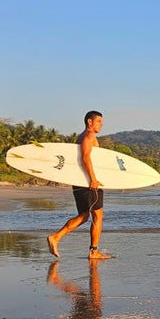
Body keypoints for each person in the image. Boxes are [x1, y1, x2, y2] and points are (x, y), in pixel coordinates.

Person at [47, 111, 112, 260]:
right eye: (99, 121)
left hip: (79, 182)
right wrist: (93, 179)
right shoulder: (89, 137)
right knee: (98, 216)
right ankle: (93, 251)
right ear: (90, 122)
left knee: (83, 216)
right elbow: (85, 158)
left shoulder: (81, 136)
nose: (101, 125)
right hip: (88, 183)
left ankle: (55, 237)